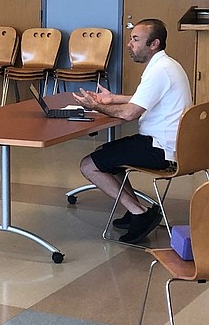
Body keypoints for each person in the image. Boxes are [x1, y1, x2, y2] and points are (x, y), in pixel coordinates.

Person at [73, 18, 192, 244]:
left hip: (161, 150)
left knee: (89, 165)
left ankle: (140, 214)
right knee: (109, 157)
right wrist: (111, 98)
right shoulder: (166, 65)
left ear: (154, 44)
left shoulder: (159, 70)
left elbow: (130, 113)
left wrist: (96, 106)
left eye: (136, 39)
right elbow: (146, 99)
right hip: (174, 145)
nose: (129, 44)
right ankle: (136, 209)